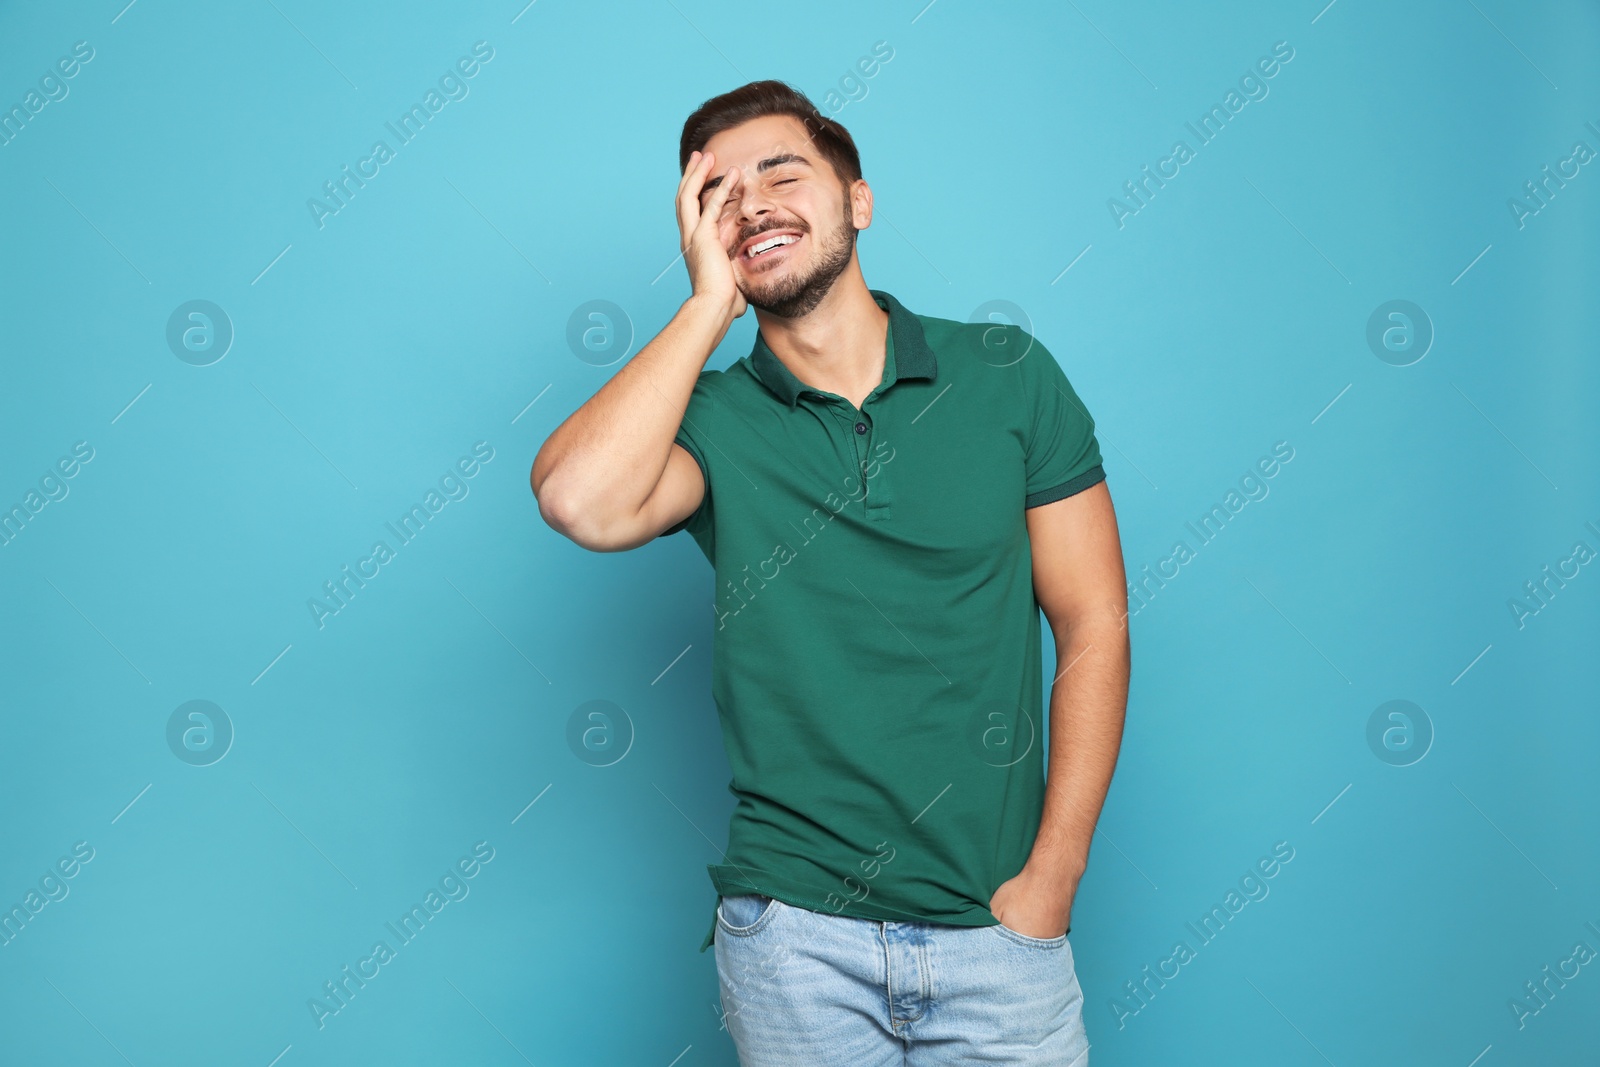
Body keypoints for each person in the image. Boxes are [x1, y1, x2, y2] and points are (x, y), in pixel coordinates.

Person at [531, 79, 1129, 1066]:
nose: (753, 202)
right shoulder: (713, 420)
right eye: (720, 196)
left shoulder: (1007, 374)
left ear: (857, 198)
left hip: (1000, 926)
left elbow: (1093, 620)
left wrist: (1050, 880)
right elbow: (576, 501)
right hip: (795, 936)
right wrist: (703, 308)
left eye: (781, 171)